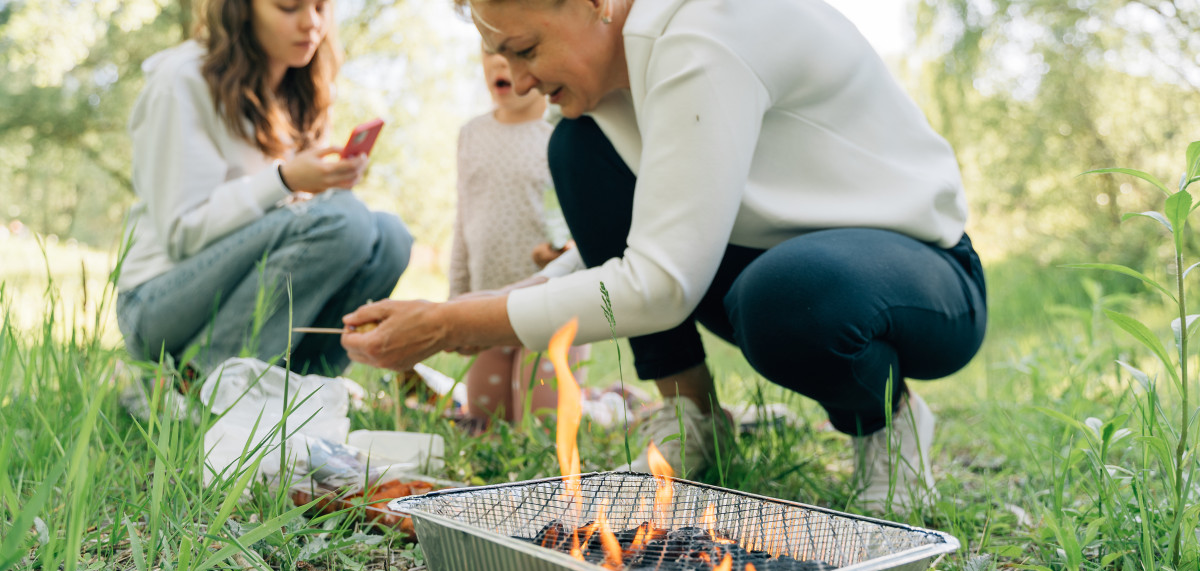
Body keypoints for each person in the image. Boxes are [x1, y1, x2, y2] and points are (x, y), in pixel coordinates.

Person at [342, 0, 987, 512]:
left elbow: (660, 282)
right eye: (501, 55)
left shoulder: (701, 34)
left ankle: (887, 424)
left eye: (527, 49)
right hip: (768, 259)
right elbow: (643, 239)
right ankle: (694, 417)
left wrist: (454, 327)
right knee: (577, 147)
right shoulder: (621, 79)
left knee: (787, 299)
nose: (518, 78)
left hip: (916, 275)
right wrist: (458, 306)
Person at [114, 0, 412, 379]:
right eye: (289, 7)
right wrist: (283, 180)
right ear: (242, 10)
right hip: (157, 302)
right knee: (346, 219)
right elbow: (181, 234)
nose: (312, 24)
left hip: (236, 291)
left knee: (390, 237)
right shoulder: (181, 80)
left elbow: (295, 235)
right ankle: (195, 389)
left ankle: (298, 390)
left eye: (321, 7)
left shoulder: (302, 89)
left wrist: (319, 186)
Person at [449, 43, 588, 427]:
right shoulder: (472, 134)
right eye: (488, 51)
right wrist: (457, 299)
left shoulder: (562, 132)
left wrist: (562, 253)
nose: (498, 61)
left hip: (549, 311)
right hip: (486, 310)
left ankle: (597, 407)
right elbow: (463, 220)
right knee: (483, 425)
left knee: (540, 428)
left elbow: (586, 225)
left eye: (512, 50)